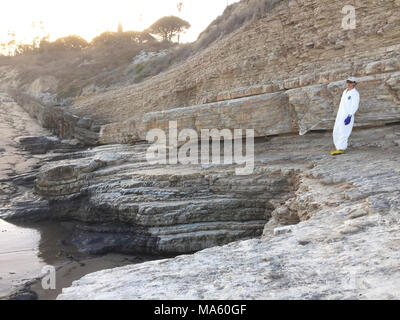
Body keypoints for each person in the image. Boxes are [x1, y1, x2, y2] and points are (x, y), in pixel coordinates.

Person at [331, 77, 360, 155]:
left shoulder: (355, 93)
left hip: (347, 115)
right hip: (340, 114)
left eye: (351, 82)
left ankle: (341, 148)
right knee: (337, 130)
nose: (349, 84)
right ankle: (337, 147)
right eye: (348, 82)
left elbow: (355, 105)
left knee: (344, 132)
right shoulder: (345, 91)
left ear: (354, 83)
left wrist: (349, 116)